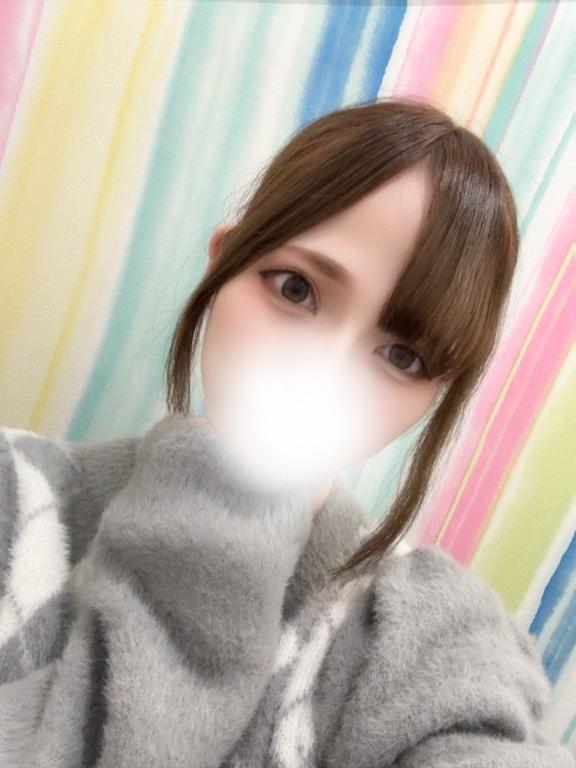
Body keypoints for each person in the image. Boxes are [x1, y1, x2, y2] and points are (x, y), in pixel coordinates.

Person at [0, 97, 573, 767]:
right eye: (295, 289)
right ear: (224, 263)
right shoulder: (18, 493)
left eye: (402, 356)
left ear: (432, 396)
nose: (322, 372)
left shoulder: (433, 637)